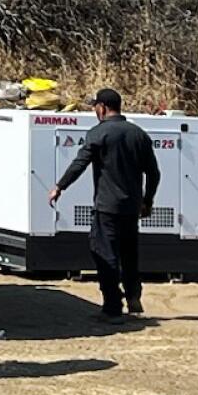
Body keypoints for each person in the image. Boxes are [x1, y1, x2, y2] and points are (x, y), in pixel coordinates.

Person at [48, 87, 161, 322]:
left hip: (107, 207)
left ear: (102, 107)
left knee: (104, 252)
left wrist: (60, 186)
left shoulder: (99, 134)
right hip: (131, 207)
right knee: (129, 252)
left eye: (94, 107)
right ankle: (133, 295)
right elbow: (154, 172)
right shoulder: (138, 134)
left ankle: (112, 307)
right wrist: (147, 200)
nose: (94, 111)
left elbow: (80, 162)